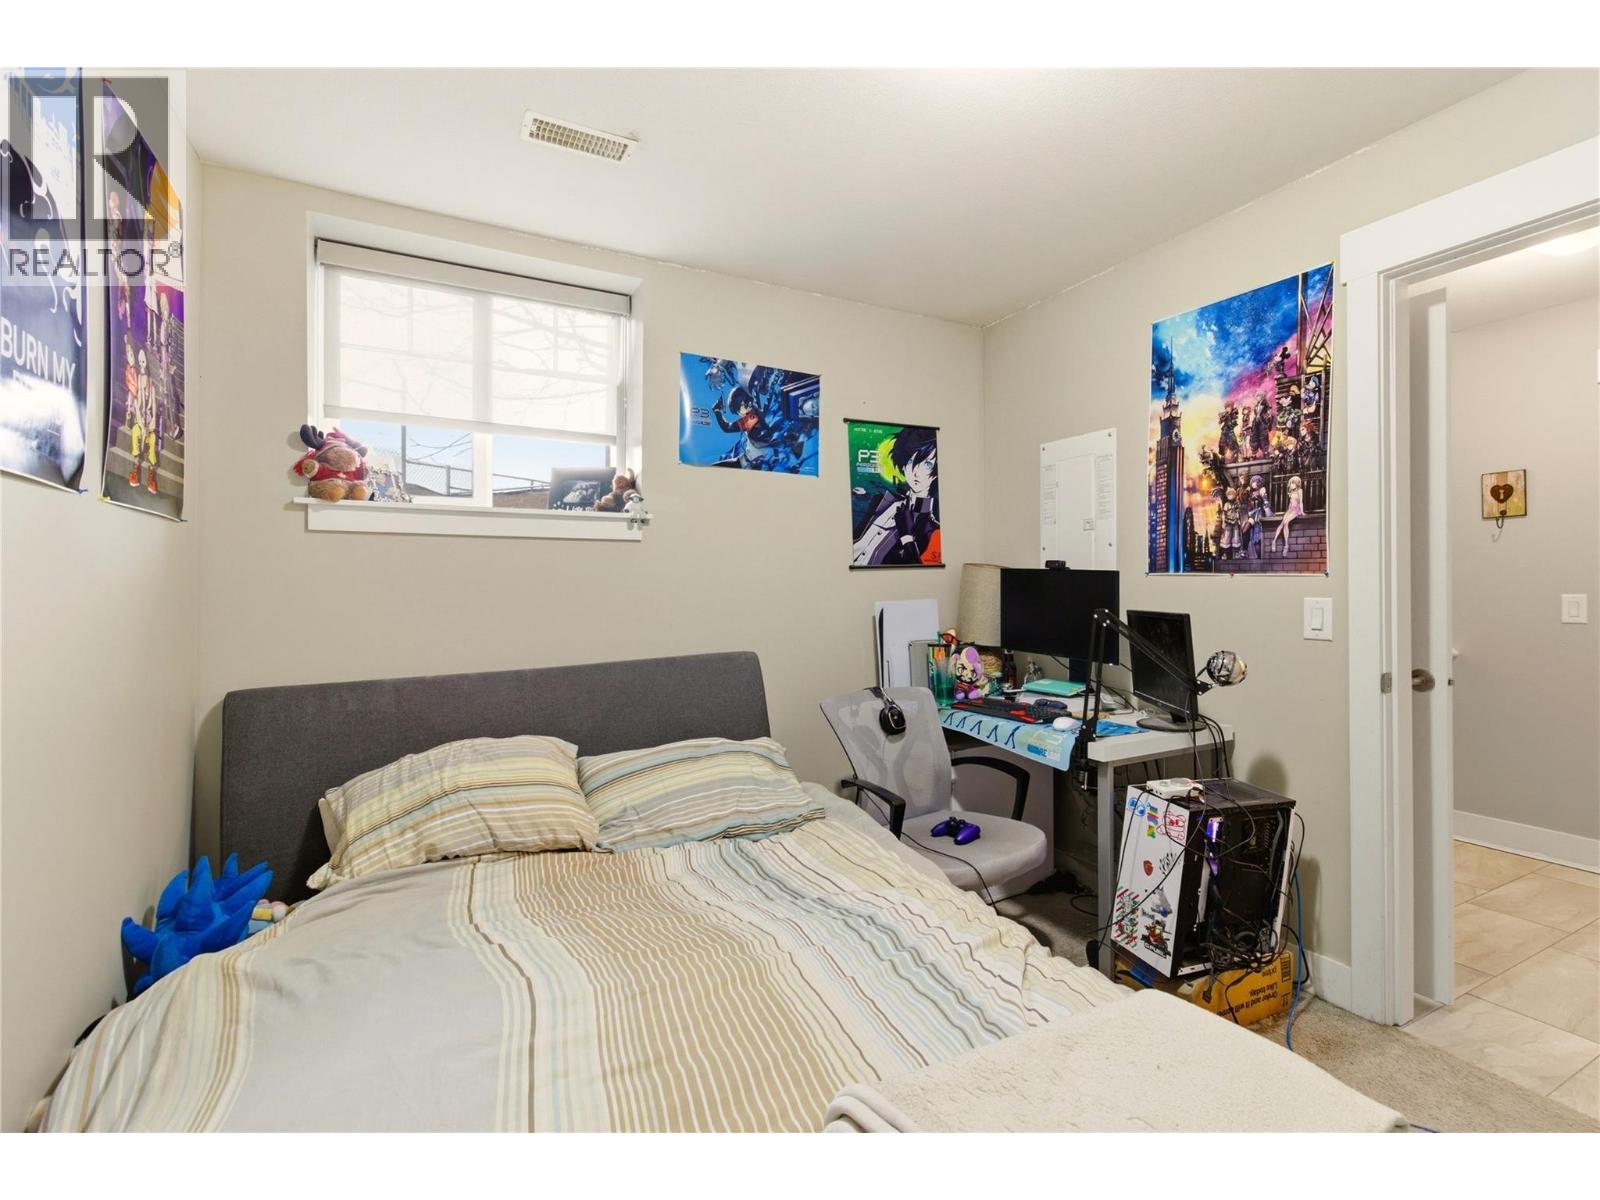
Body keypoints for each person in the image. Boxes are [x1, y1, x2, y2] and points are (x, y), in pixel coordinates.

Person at [850, 427, 940, 566]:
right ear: (903, 465)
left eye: (927, 464)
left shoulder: (931, 529)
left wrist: (907, 536)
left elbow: (920, 568)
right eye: (911, 462)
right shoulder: (884, 500)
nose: (916, 472)